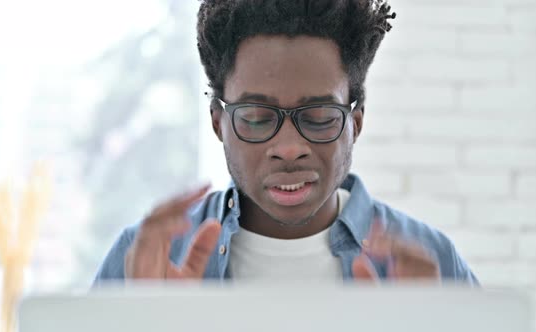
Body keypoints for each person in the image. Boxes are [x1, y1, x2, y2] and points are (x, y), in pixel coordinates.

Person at [94, 0, 478, 284]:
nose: (290, 147)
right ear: (218, 123)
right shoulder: (144, 265)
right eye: (258, 119)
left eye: (319, 117)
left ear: (355, 124)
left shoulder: (433, 267)